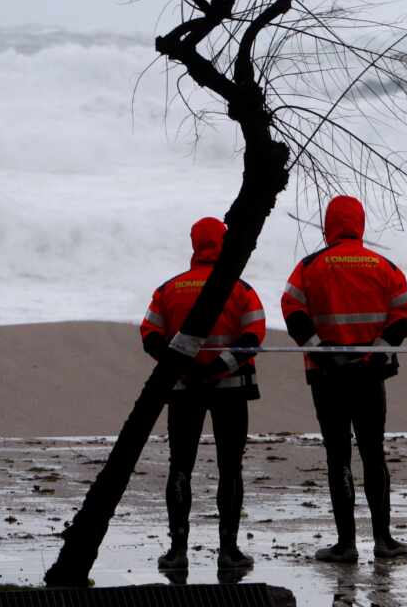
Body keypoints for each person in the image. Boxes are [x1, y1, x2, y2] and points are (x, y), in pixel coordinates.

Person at [281, 194, 407, 563]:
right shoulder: (384, 265)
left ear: (329, 225)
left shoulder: (309, 266)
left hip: (327, 376)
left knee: (337, 455)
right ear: (361, 223)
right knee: (373, 453)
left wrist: (319, 349)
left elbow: (292, 310)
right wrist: (376, 352)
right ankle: (384, 542)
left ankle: (346, 544)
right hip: (370, 376)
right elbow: (402, 314)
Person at [140, 216, 265, 573]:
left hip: (182, 390)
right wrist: (218, 368)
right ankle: (229, 551)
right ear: (224, 243)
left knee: (180, 467)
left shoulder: (169, 289)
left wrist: (184, 369)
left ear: (194, 244)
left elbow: (150, 335)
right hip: (231, 390)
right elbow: (254, 335)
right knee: (230, 468)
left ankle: (178, 551)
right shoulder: (240, 288)